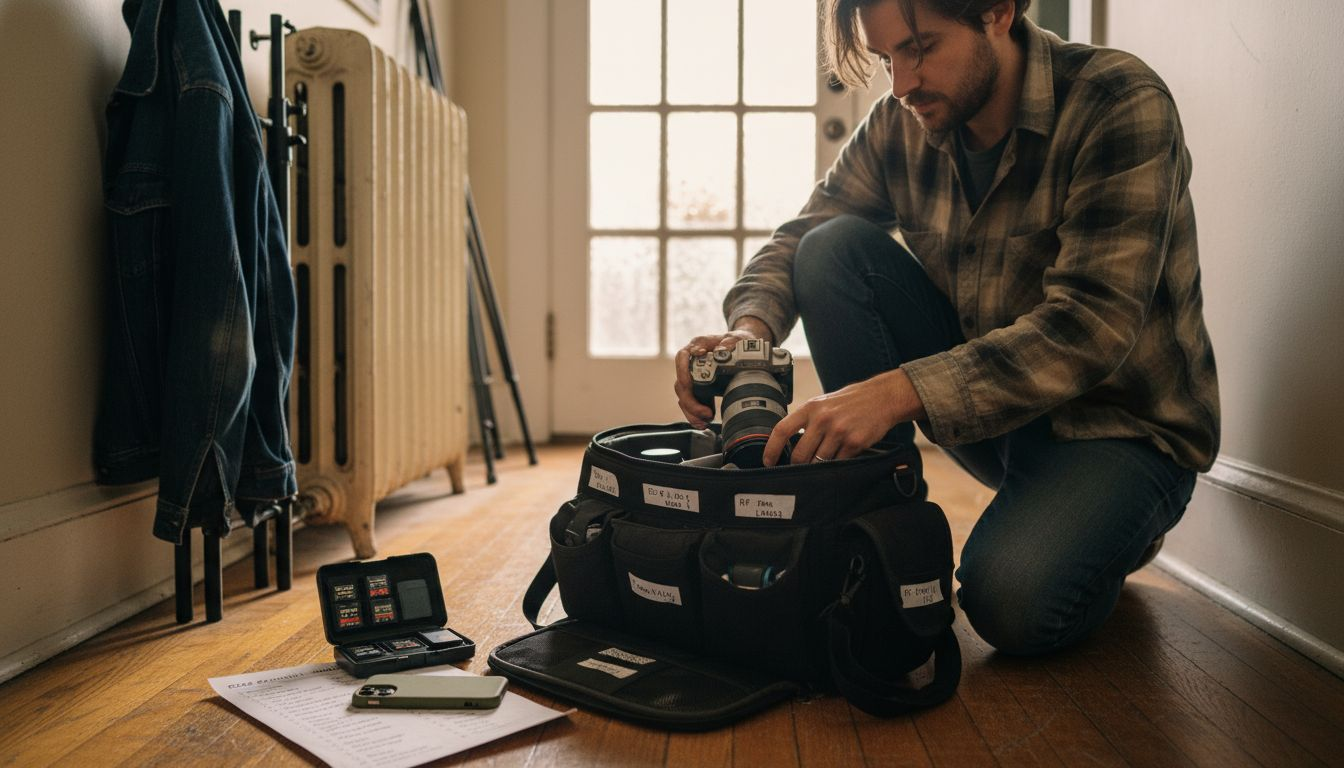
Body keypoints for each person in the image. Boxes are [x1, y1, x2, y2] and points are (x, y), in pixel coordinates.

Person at [671, 0, 1220, 656]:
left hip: (1121, 432)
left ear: (996, 12)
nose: (901, 84)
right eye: (886, 58)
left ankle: (1103, 527)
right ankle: (872, 534)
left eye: (921, 47)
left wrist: (894, 391)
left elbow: (1090, 326)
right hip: (1002, 422)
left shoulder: (1118, 102)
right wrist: (749, 330)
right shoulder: (900, 124)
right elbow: (804, 235)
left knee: (1009, 603)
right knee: (831, 248)